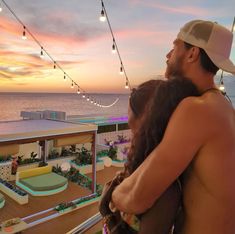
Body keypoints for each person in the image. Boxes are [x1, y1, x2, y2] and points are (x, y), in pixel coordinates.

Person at [112, 19, 235, 234]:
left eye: (175, 46)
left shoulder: (198, 109)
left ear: (192, 53)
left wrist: (113, 195)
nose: (168, 55)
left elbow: (138, 197)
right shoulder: (222, 107)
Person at [100, 78, 199, 233]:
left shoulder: (166, 189)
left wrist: (106, 211)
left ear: (145, 121)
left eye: (135, 132)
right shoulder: (145, 167)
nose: (127, 117)